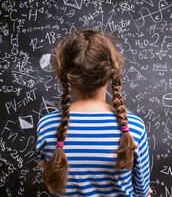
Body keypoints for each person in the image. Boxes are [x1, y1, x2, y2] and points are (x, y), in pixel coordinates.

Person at [36, 30, 151, 196]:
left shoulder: (47, 126)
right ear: (112, 72)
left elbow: (52, 181)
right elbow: (142, 192)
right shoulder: (133, 128)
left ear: (65, 75)